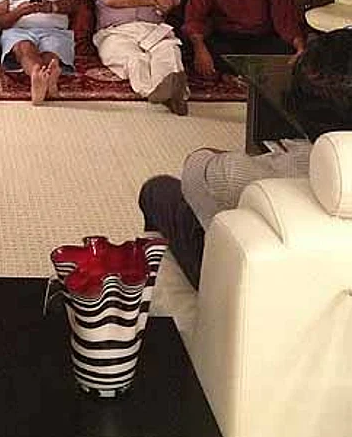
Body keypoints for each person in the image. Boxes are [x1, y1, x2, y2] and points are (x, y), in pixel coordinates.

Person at [139, 28, 352, 288]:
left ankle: (161, 297)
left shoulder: (254, 176)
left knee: (157, 190)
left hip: (250, 287)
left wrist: (217, 155)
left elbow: (195, 173)